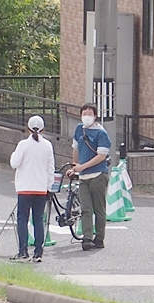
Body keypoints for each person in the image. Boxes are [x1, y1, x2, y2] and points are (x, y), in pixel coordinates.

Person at [9, 115, 56, 263]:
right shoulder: (47, 145)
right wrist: (50, 187)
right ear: (43, 129)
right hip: (41, 189)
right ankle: (38, 252)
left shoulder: (23, 145)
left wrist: (13, 155)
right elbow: (51, 168)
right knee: (38, 219)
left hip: (24, 188)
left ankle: (23, 251)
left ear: (27, 128)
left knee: (22, 219)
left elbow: (14, 163)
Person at [68, 103, 111, 251]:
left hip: (98, 175)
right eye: (84, 113)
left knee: (99, 208)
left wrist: (82, 167)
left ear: (95, 116)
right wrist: (75, 167)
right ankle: (87, 238)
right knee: (85, 208)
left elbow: (101, 156)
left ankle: (99, 238)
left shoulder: (101, 133)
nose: (86, 116)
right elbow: (76, 149)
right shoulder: (79, 129)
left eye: (89, 114)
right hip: (83, 177)